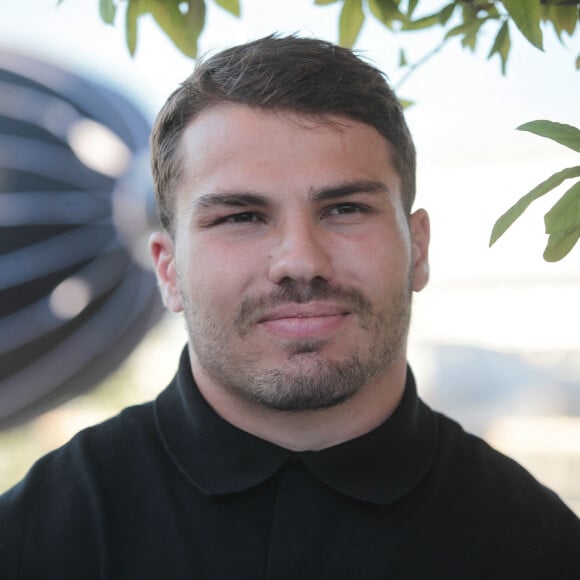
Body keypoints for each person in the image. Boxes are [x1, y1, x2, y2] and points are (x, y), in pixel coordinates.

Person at [1, 35, 579, 579]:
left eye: (345, 209)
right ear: (168, 270)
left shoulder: (538, 547)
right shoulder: (36, 539)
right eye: (241, 217)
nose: (300, 261)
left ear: (418, 248)